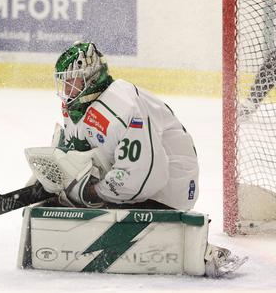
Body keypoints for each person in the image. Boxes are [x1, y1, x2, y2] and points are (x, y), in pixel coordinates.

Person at [24, 41, 245, 276]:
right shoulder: (79, 104)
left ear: (90, 77)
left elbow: (143, 174)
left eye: (72, 80)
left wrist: (93, 192)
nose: (66, 88)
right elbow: (74, 150)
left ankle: (180, 241)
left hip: (170, 189)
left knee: (80, 204)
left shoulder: (123, 106)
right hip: (141, 182)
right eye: (64, 81)